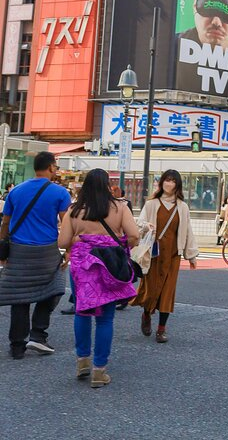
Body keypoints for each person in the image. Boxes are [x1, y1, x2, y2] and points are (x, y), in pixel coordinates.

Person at [58, 169, 140, 388]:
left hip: (82, 266)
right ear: (107, 185)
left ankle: (82, 362)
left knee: (82, 312)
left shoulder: (74, 209)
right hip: (109, 264)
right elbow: (134, 235)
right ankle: (99, 371)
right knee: (105, 319)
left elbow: (62, 242)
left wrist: (80, 239)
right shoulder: (119, 207)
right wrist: (120, 244)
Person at [0, 152, 71, 359]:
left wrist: (2, 248)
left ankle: (17, 345)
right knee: (54, 288)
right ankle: (38, 334)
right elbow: (66, 225)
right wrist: (69, 250)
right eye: (56, 167)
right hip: (46, 251)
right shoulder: (60, 193)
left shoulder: (16, 191)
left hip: (18, 251)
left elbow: (5, 222)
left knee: (19, 296)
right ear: (51, 167)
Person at [130, 170, 199, 343]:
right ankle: (146, 314)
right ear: (161, 183)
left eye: (173, 181)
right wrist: (146, 226)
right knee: (150, 289)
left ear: (178, 185)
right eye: (166, 180)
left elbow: (188, 231)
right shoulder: (152, 204)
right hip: (153, 255)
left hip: (173, 255)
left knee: (168, 292)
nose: (169, 184)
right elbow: (139, 224)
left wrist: (191, 255)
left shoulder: (182, 207)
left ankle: (161, 329)